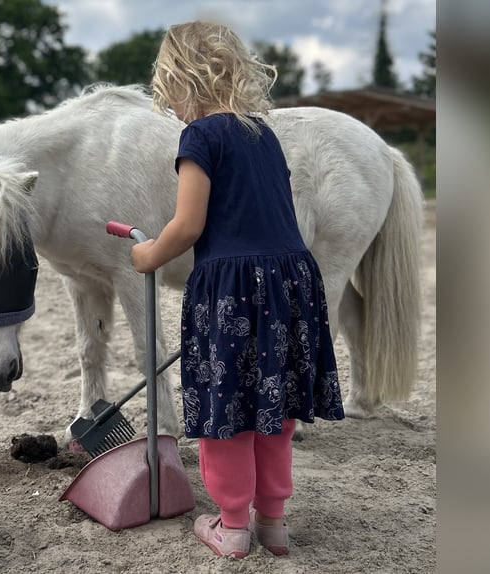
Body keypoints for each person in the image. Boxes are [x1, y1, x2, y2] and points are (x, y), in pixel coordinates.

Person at [131, 21, 345, 559]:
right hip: (290, 281)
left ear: (180, 79)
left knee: (226, 410)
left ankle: (231, 527)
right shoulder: (261, 133)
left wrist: (147, 254)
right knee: (274, 404)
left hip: (230, 288)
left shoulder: (199, 137)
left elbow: (188, 225)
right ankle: (272, 524)